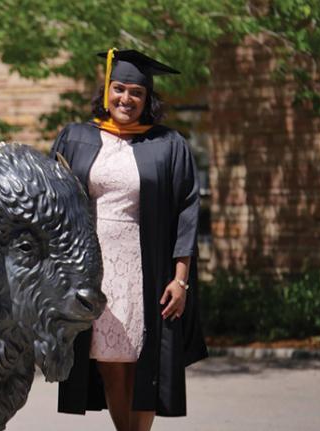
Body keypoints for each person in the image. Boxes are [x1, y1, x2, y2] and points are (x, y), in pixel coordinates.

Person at [52, 49, 208, 431]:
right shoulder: (76, 137)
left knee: (144, 364)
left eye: (136, 92)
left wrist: (180, 278)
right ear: (106, 89)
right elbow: (53, 202)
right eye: (119, 88)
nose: (126, 99)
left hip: (146, 268)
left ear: (147, 99)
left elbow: (187, 213)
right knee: (109, 364)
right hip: (94, 270)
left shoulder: (168, 144)